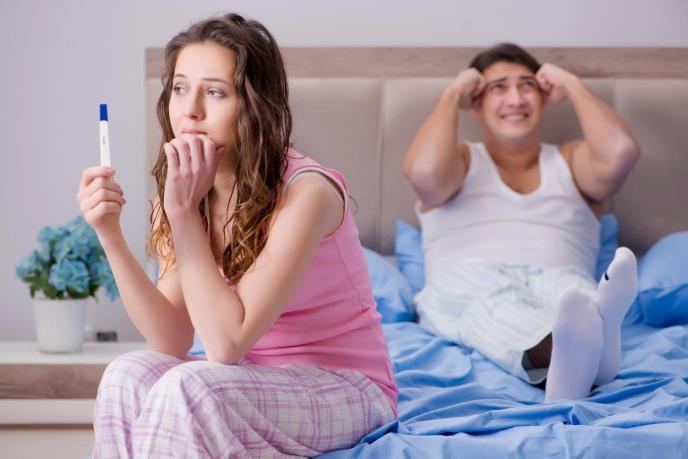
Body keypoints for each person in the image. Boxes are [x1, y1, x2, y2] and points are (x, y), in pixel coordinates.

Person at [77, 13, 396, 458]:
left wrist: (182, 214)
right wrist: (110, 235)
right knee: (125, 374)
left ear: (254, 106)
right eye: (180, 88)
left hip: (348, 387)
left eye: (215, 92)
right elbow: (171, 339)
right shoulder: (185, 190)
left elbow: (225, 344)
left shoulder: (307, 193)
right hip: (250, 380)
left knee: (188, 388)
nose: (190, 110)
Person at [403, 43, 640, 402]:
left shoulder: (571, 160)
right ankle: (591, 350)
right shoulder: (459, 160)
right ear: (476, 103)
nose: (515, 99)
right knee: (493, 306)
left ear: (544, 97)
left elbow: (620, 153)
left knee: (574, 298)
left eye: (527, 85)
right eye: (498, 88)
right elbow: (424, 173)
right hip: (469, 278)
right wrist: (452, 93)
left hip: (560, 277)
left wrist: (571, 84)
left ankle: (582, 348)